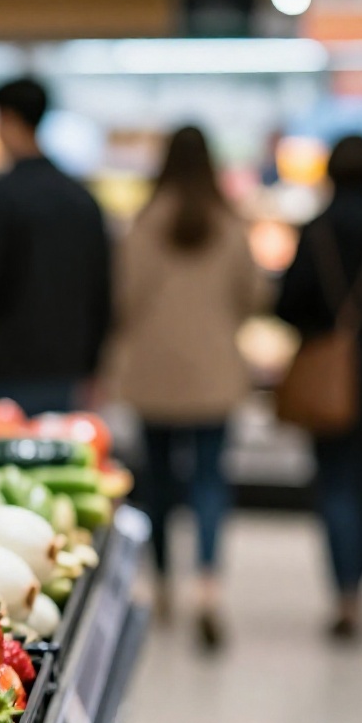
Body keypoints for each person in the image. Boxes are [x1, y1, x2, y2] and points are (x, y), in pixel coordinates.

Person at [108, 126, 263, 650]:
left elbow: (123, 300)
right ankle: (208, 588)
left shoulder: (144, 224)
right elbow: (254, 297)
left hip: (153, 374)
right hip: (214, 373)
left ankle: (162, 586)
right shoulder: (230, 224)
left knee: (155, 482)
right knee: (209, 481)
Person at [0, 77, 112, 415]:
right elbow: (102, 291)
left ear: (6, 118)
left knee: (2, 459)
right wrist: (94, 364)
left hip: (5, 366)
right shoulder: (82, 200)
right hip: (67, 367)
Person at [276, 135, 362, 640]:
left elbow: (286, 302)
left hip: (327, 375)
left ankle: (342, 590)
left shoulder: (316, 230)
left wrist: (321, 325)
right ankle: (357, 585)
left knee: (336, 481)